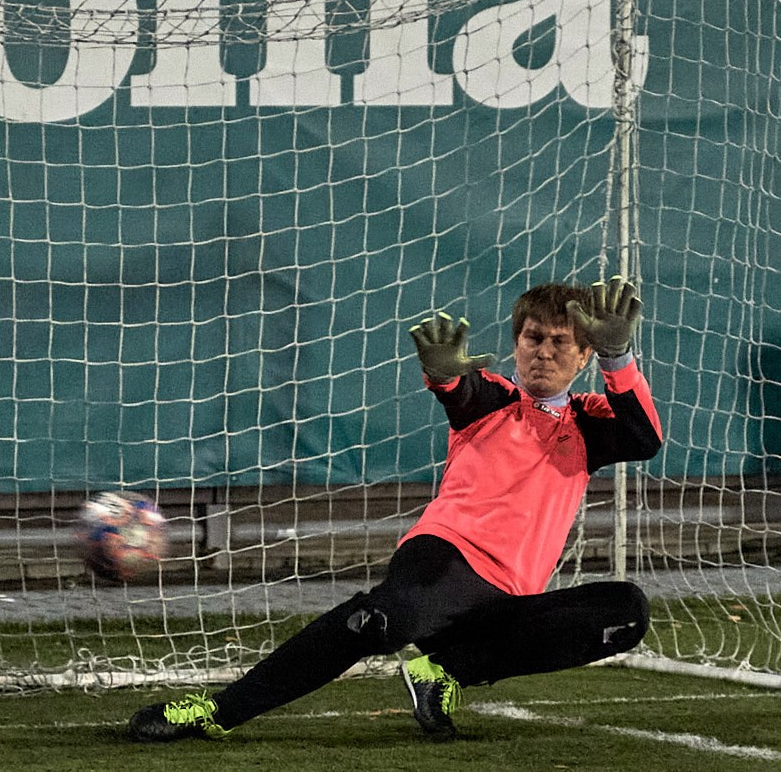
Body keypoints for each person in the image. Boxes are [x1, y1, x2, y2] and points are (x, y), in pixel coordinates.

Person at [127, 276, 663, 743]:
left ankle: (444, 671)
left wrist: (620, 359)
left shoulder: (590, 423)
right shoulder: (496, 399)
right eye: (532, 338)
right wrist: (445, 373)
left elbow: (644, 439)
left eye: (560, 341)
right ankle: (218, 711)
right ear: (517, 343)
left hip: (507, 598)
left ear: (584, 354)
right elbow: (461, 389)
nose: (543, 351)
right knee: (375, 622)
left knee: (626, 610)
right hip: (447, 560)